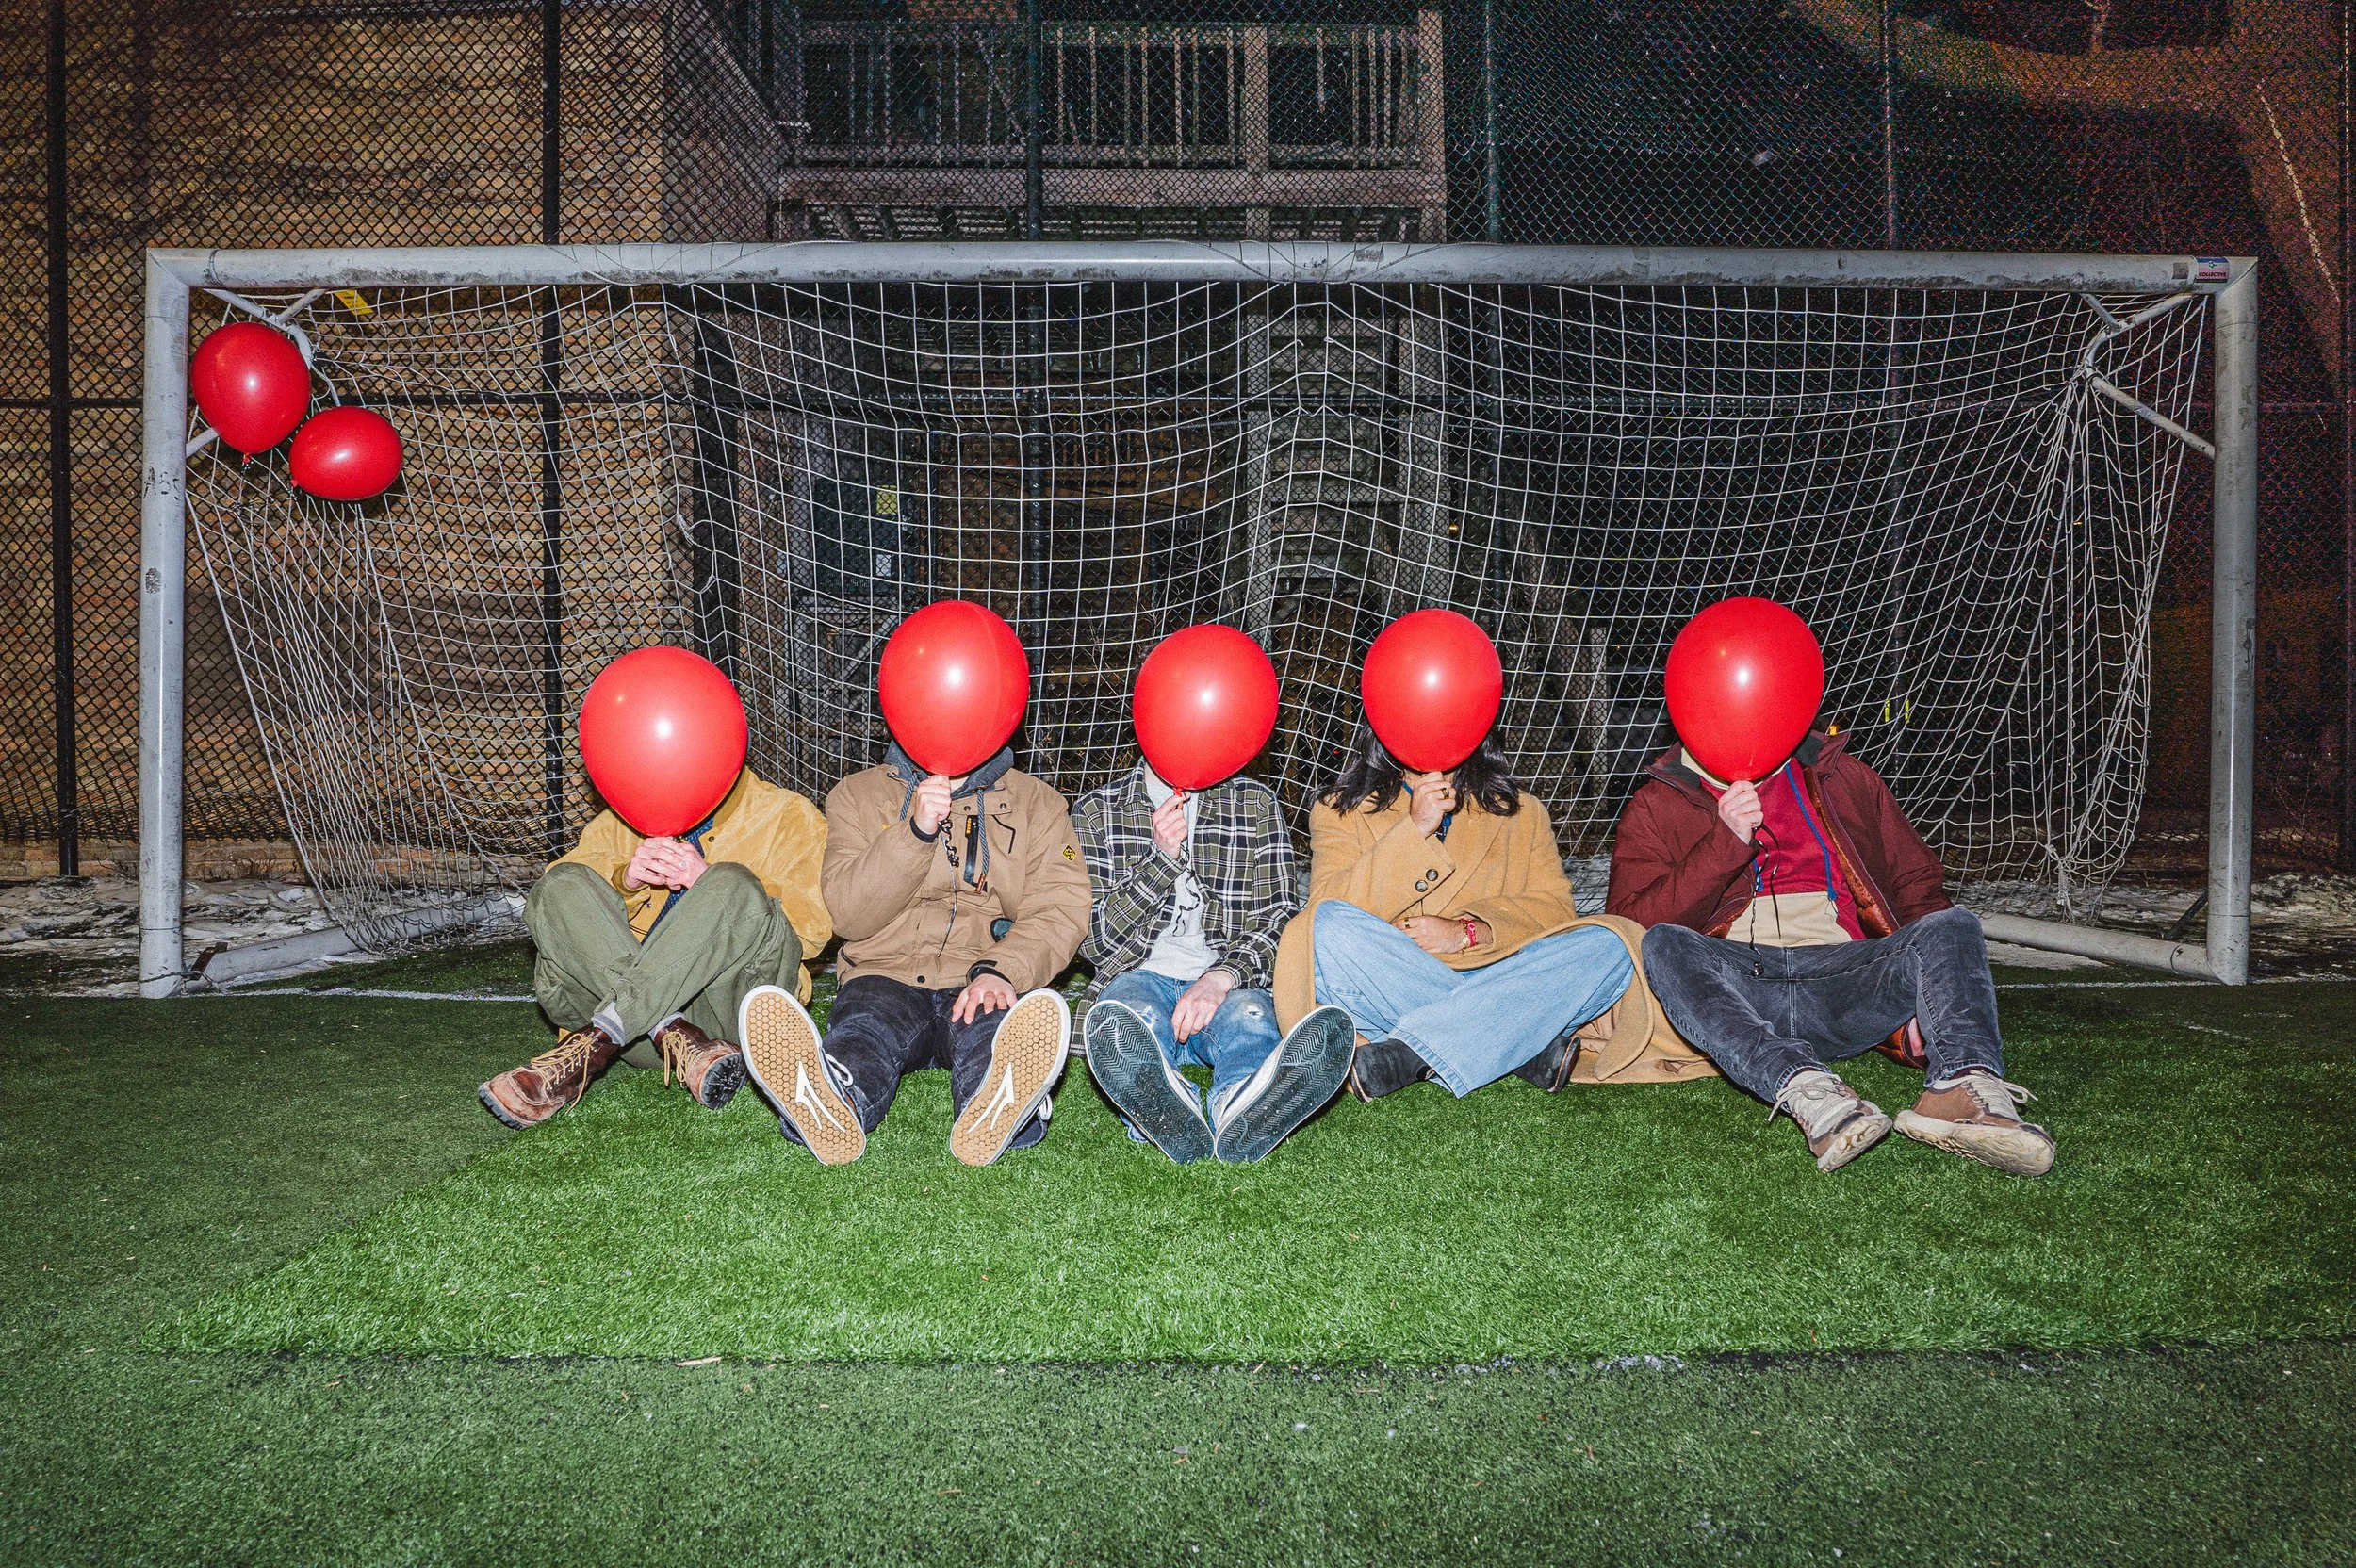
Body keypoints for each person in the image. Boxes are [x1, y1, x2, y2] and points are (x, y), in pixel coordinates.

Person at [1608, 729, 2055, 1177]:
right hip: (1741, 990)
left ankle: (1961, 1086)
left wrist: (1928, 995)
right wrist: (1725, 842)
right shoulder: (1657, 802)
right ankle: (1810, 1090)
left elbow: (1915, 882)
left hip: (1845, 980)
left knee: (1952, 924)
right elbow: (1629, 925)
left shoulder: (1843, 777)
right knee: (1664, 942)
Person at [1274, 722, 1710, 1100]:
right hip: (1395, 976)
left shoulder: (1523, 813)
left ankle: (1408, 1054)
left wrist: (1468, 931)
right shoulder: (1340, 810)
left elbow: (1556, 912)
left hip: (1498, 974)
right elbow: (1326, 910)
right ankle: (1522, 1044)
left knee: (1611, 941)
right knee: (1327, 928)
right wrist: (1414, 830)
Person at [733, 741, 1089, 1168]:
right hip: (885, 971)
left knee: (992, 1039)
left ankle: (1002, 1100)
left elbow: (1059, 906)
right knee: (865, 1032)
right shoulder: (857, 795)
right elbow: (848, 914)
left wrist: (1003, 971)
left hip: (978, 974)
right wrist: (916, 832)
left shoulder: (1038, 804)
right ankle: (833, 1092)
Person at [480, 765, 830, 1129]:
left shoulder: (789, 814)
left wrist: (706, 880)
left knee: (732, 881)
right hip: (649, 1042)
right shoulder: (627, 813)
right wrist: (624, 880)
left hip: (725, 1017)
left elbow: (813, 927)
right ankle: (672, 1030)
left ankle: (596, 1042)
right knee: (558, 884)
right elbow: (555, 904)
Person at [1073, 758, 1351, 1164]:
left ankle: (1240, 1104)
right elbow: (1094, 942)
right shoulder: (1098, 811)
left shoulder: (1254, 803)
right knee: (1129, 1021)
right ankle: (1166, 1103)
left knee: (1251, 1018)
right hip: (1138, 973)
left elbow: (1279, 918)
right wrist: (1160, 861)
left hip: (1226, 978)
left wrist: (1221, 978)